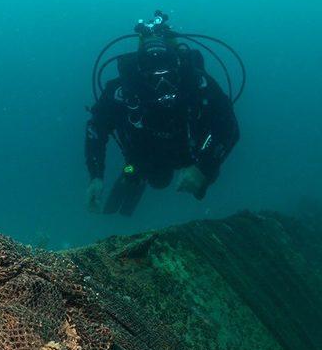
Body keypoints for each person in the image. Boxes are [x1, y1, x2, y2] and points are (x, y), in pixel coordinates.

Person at [85, 11, 242, 216]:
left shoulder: (196, 82)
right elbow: (96, 128)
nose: (162, 83)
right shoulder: (123, 90)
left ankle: (177, 175)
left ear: (177, 64)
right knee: (150, 177)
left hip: (191, 153)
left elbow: (229, 126)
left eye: (166, 74)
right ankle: (131, 177)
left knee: (202, 183)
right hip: (142, 157)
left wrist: (204, 167)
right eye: (154, 76)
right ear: (140, 72)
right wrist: (96, 176)